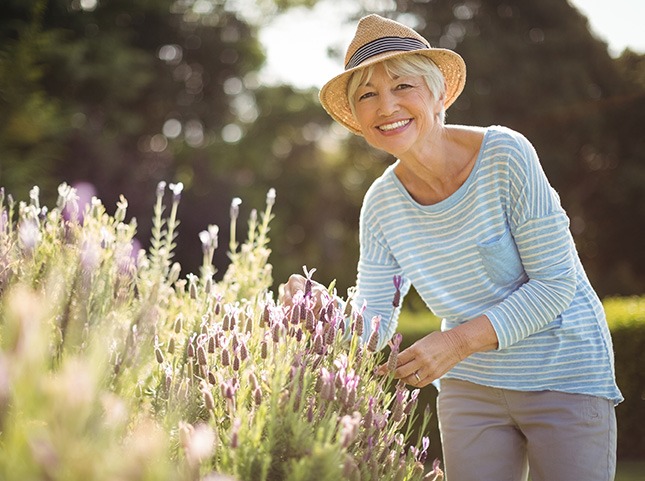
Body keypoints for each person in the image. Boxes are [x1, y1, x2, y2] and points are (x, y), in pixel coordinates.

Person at [281, 13, 622, 481]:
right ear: (357, 120)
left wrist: (457, 341)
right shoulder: (381, 204)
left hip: (562, 373)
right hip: (471, 387)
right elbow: (375, 321)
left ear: (439, 94)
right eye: (367, 94)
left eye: (403, 86)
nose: (386, 106)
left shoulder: (506, 155)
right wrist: (321, 314)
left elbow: (556, 283)